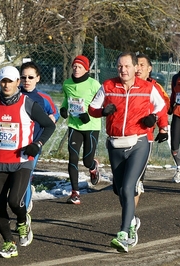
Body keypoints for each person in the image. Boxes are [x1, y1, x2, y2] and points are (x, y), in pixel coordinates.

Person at [0, 66, 55, 258]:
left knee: (15, 201)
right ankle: (9, 243)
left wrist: (37, 144)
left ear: (17, 83)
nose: (6, 85)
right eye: (3, 81)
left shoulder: (28, 103)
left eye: (10, 81)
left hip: (22, 160)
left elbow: (49, 125)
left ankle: (23, 221)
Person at [89, 52, 166, 253]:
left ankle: (123, 233)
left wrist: (154, 119)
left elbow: (162, 105)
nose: (123, 70)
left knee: (128, 188)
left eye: (127, 66)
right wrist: (102, 112)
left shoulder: (148, 87)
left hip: (139, 142)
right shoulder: (108, 86)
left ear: (135, 68)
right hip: (115, 143)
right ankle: (132, 221)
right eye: (120, 67)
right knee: (118, 189)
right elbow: (92, 108)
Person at [60, 55, 101, 205]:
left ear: (86, 69)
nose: (76, 69)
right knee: (72, 158)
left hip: (91, 126)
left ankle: (93, 166)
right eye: (74, 66)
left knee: (86, 160)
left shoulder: (94, 84)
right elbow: (66, 99)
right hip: (74, 126)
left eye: (80, 67)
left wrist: (88, 115)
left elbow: (101, 103)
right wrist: (63, 109)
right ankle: (75, 192)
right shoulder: (67, 83)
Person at [20, 61, 59, 213]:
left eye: (30, 77)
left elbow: (54, 113)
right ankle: (25, 194)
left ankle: (24, 212)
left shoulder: (43, 98)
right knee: (13, 179)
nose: (27, 80)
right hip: (14, 144)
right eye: (23, 77)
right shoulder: (14, 95)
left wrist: (52, 118)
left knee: (25, 177)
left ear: (38, 78)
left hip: (34, 143)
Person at [134, 53, 169, 209]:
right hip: (122, 136)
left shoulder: (155, 87)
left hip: (144, 136)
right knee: (121, 184)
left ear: (149, 68)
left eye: (142, 65)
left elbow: (162, 107)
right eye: (137, 64)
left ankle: (130, 220)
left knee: (135, 181)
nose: (139, 68)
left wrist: (163, 127)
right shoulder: (126, 84)